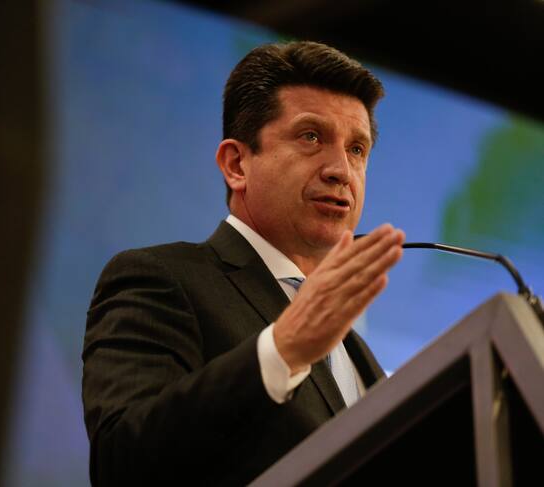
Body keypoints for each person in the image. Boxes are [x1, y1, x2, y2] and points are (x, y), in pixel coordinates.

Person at [82, 41, 405, 486]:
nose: (341, 171)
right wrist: (283, 351)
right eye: (311, 137)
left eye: (357, 149)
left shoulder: (355, 351)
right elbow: (122, 462)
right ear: (236, 164)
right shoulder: (161, 279)